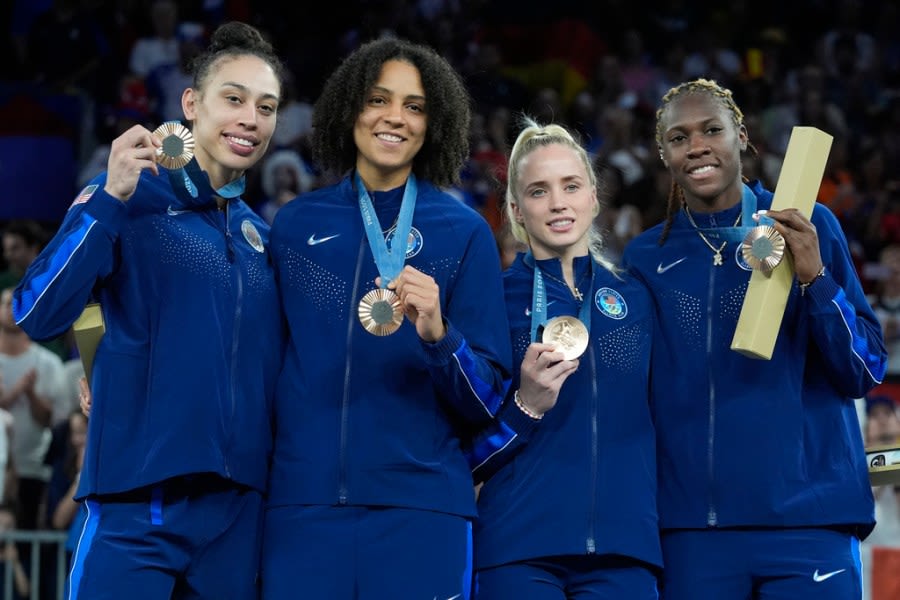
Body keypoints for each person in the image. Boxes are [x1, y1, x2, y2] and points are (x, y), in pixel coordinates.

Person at [12, 21, 285, 600]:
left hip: (236, 518)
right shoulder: (129, 197)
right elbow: (36, 311)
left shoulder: (262, 237)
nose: (250, 119)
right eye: (233, 99)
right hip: (134, 507)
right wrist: (109, 197)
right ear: (191, 104)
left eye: (266, 107)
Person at [262, 37, 512, 600]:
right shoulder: (294, 225)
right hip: (304, 506)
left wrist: (441, 337)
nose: (394, 117)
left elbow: (486, 402)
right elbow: (256, 367)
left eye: (415, 106)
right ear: (350, 107)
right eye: (378, 99)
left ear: (433, 123)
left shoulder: (464, 231)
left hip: (422, 510)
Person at [622, 78, 887, 600]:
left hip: (808, 521)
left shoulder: (808, 224)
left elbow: (865, 368)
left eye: (711, 130)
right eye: (679, 138)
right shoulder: (646, 258)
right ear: (662, 153)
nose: (696, 146)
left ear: (741, 135)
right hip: (694, 532)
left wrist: (815, 279)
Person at [468, 119, 661, 598]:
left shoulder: (635, 298)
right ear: (515, 209)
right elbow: (461, 444)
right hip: (519, 547)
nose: (558, 203)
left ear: (594, 196)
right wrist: (524, 407)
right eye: (538, 191)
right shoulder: (491, 297)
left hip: (625, 550)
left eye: (571, 186)